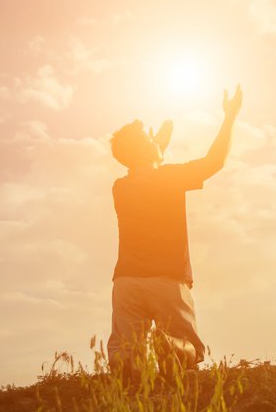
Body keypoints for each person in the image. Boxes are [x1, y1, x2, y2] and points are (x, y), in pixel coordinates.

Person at [107, 85, 243, 376]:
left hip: (126, 283)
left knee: (128, 355)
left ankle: (124, 360)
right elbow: (214, 162)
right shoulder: (168, 178)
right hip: (166, 281)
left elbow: (144, 169)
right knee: (190, 351)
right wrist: (230, 117)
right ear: (148, 150)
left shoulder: (120, 188)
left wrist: (154, 149)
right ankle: (170, 343)